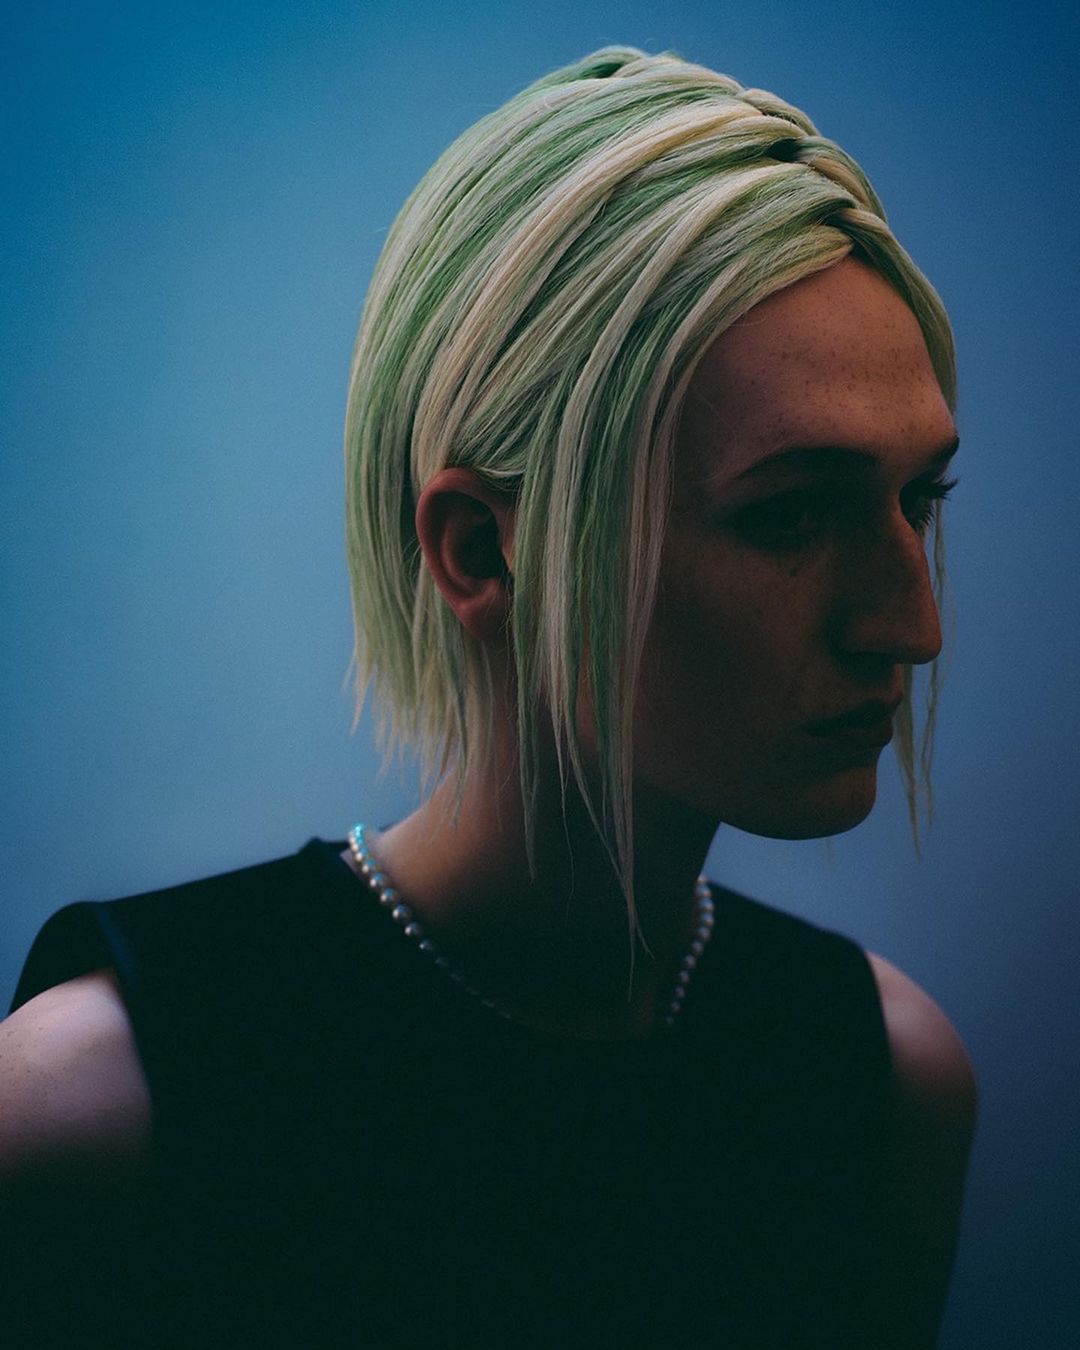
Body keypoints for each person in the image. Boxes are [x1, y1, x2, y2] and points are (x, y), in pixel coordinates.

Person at [0, 46, 975, 1349]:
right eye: (791, 513)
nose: (913, 626)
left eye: (919, 501)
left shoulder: (880, 1082)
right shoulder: (93, 1104)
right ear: (479, 551)